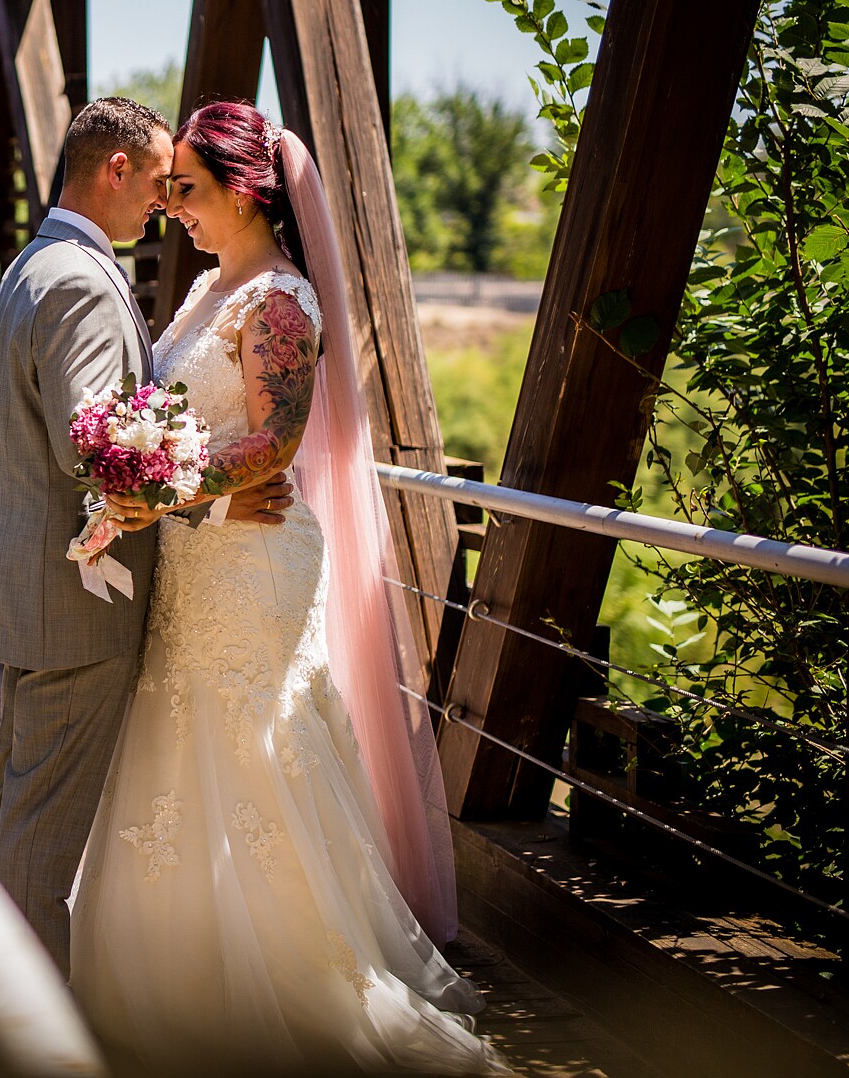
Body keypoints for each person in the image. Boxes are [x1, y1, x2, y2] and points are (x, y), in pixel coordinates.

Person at [68, 100, 510, 1075]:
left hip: (254, 564)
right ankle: (170, 970)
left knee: (244, 746)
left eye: (183, 187)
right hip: (194, 552)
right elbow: (165, 411)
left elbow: (275, 441)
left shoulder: (276, 301)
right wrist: (143, 477)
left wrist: (167, 486)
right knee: (173, 736)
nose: (168, 203)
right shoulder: (200, 292)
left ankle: (283, 982)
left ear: (241, 189)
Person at [0, 96, 296, 978]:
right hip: (81, 599)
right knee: (38, 833)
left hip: (43, 589)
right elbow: (99, 449)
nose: (165, 204)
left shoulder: (36, 263)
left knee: (15, 809)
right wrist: (217, 499)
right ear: (115, 169)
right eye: (158, 183)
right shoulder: (78, 278)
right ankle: (26, 1024)